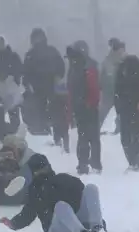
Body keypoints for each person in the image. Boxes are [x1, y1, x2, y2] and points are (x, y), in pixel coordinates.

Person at [0, 154, 113, 232]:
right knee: (61, 206)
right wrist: (13, 223)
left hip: (79, 221)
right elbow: (28, 213)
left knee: (91, 188)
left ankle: (95, 229)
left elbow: (85, 197)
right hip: (60, 231)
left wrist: (94, 216)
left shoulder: (62, 178)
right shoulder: (36, 190)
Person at [66, 41, 102, 175]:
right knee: (89, 137)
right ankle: (89, 163)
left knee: (87, 137)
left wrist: (88, 102)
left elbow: (94, 88)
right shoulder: (82, 66)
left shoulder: (83, 67)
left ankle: (87, 163)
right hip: (83, 106)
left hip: (85, 107)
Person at [22, 28, 66, 135]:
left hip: (51, 83)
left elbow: (61, 66)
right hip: (37, 86)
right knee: (39, 106)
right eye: (36, 38)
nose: (38, 40)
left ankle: (55, 126)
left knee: (56, 105)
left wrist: (58, 76)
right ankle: (41, 127)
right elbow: (26, 71)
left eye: (39, 37)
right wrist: (27, 83)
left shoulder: (51, 51)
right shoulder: (30, 54)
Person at [114, 55, 139, 169]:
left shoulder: (122, 73)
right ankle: (135, 161)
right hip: (132, 108)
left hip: (127, 108)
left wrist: (118, 107)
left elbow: (117, 91)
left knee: (127, 137)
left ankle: (133, 161)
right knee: (135, 137)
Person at [99, 38, 126, 133]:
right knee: (104, 111)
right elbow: (102, 75)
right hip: (110, 91)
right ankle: (96, 128)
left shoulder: (124, 60)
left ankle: (120, 128)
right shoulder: (108, 61)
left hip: (118, 91)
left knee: (120, 112)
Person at [50, 77, 71, 152]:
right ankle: (66, 146)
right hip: (65, 93)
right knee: (64, 127)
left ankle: (58, 142)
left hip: (57, 94)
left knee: (57, 124)